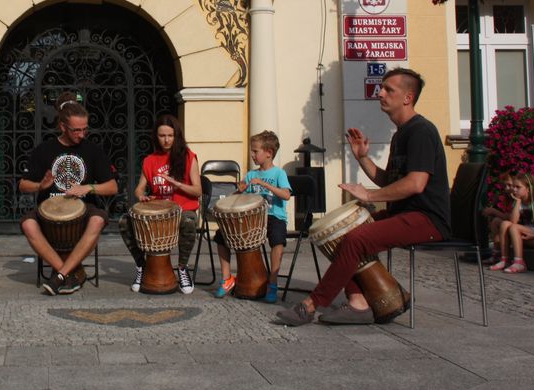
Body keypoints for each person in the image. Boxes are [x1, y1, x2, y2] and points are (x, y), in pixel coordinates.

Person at [276, 67, 450, 326]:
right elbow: (390, 180)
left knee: (356, 239)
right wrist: (363, 158)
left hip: (427, 219)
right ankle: (358, 302)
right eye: (382, 88)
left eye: (389, 89)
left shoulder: (421, 131)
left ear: (407, 97)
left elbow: (415, 184)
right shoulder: (401, 134)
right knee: (340, 233)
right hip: (403, 214)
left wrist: (369, 195)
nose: (380, 93)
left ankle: (311, 305)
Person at [19, 92, 118, 295]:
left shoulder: (93, 150)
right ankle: (68, 274)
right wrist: (40, 186)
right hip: (49, 210)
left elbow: (112, 187)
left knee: (98, 220)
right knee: (28, 224)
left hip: (84, 210)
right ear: (62, 127)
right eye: (76, 130)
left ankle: (61, 275)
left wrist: (88, 188)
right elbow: (22, 185)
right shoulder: (44, 150)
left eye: (85, 129)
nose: (82, 134)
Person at [118, 114, 202, 295]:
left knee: (189, 221)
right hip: (157, 212)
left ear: (177, 136)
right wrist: (142, 196)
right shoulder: (150, 160)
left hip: (183, 210)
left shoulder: (189, 157)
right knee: (124, 222)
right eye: (162, 135)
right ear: (156, 137)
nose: (166, 140)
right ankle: (141, 266)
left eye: (170, 135)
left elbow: (198, 191)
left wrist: (177, 184)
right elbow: (139, 189)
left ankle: (182, 268)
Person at [214, 131, 291, 303]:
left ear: (269, 153)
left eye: (255, 151)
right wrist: (238, 191)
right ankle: (227, 278)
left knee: (278, 239)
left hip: (273, 216)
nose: (252, 154)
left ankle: (272, 282)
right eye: (252, 151)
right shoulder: (251, 175)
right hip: (253, 220)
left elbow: (286, 195)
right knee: (220, 235)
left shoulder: (279, 174)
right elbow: (237, 201)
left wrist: (264, 184)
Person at [489, 171, 534, 273]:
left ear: (528, 189)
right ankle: (504, 260)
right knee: (505, 223)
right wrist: (518, 202)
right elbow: (513, 221)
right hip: (528, 232)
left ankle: (519, 263)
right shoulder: (518, 201)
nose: (514, 190)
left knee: (514, 227)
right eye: (514, 187)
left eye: (518, 187)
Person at [481, 171, 516, 266]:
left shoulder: (517, 198)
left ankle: (500, 255)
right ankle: (496, 253)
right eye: (505, 186)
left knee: (498, 222)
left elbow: (510, 217)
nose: (507, 188)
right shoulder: (508, 197)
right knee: (495, 222)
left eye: (509, 185)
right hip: (511, 224)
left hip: (518, 225)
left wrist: (493, 211)